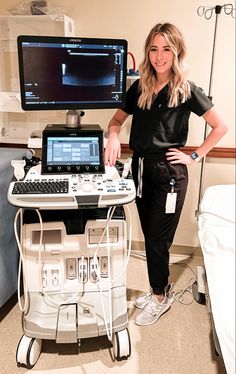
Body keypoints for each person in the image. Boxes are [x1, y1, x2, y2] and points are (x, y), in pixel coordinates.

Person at [104, 23, 228, 326]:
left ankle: (159, 297)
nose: (159, 56)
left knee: (158, 242)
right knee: (150, 237)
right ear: (149, 52)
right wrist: (112, 135)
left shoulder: (187, 89)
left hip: (170, 173)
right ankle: (159, 287)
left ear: (176, 52)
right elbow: (116, 120)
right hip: (142, 170)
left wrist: (194, 156)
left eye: (166, 49)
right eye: (154, 48)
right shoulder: (140, 87)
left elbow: (221, 127)